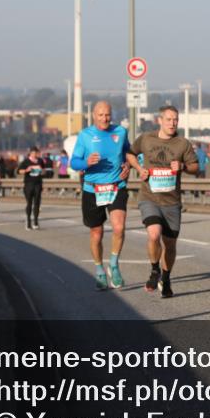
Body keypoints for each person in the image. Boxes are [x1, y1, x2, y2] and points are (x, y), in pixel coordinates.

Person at [69, 101, 139, 291]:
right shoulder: (85, 136)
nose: (104, 118)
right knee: (96, 233)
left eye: (107, 115)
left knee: (119, 227)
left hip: (116, 186)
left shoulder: (120, 132)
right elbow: (73, 162)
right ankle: (100, 269)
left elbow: (129, 153)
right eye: (100, 115)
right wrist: (85, 162)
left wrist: (128, 165)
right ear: (93, 116)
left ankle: (114, 264)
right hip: (92, 189)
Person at [132, 106, 199, 298]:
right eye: (169, 119)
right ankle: (155, 270)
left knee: (169, 244)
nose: (172, 123)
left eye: (175, 120)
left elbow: (195, 167)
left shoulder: (182, 144)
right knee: (154, 234)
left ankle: (166, 278)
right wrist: (138, 168)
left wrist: (184, 166)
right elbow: (130, 153)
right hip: (149, 197)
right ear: (159, 120)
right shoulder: (146, 138)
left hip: (172, 202)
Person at [18, 146, 46, 230]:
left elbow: (44, 172)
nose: (34, 155)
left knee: (37, 203)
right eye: (33, 153)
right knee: (29, 203)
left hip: (38, 184)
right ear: (30, 153)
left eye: (36, 153)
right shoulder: (26, 161)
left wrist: (41, 170)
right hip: (28, 184)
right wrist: (27, 170)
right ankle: (28, 221)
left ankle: (36, 221)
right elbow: (19, 171)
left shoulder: (40, 161)